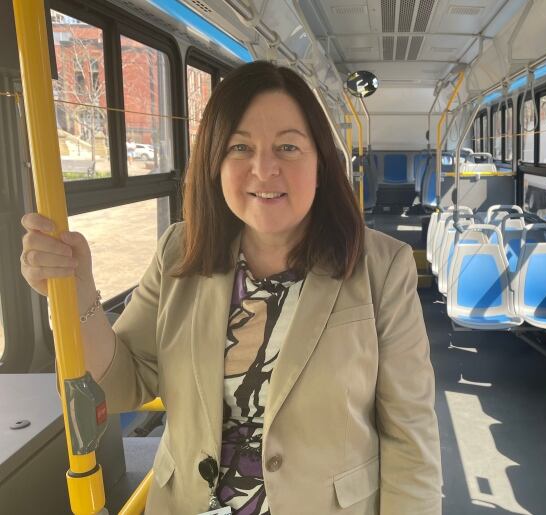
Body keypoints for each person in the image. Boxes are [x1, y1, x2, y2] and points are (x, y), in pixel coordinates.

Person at [20, 61, 442, 514]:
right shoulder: (180, 251)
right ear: (215, 162)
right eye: (240, 147)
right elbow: (125, 384)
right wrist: (77, 294)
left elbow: (409, 435)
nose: (264, 169)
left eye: (288, 147)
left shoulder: (381, 267)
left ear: (321, 163)